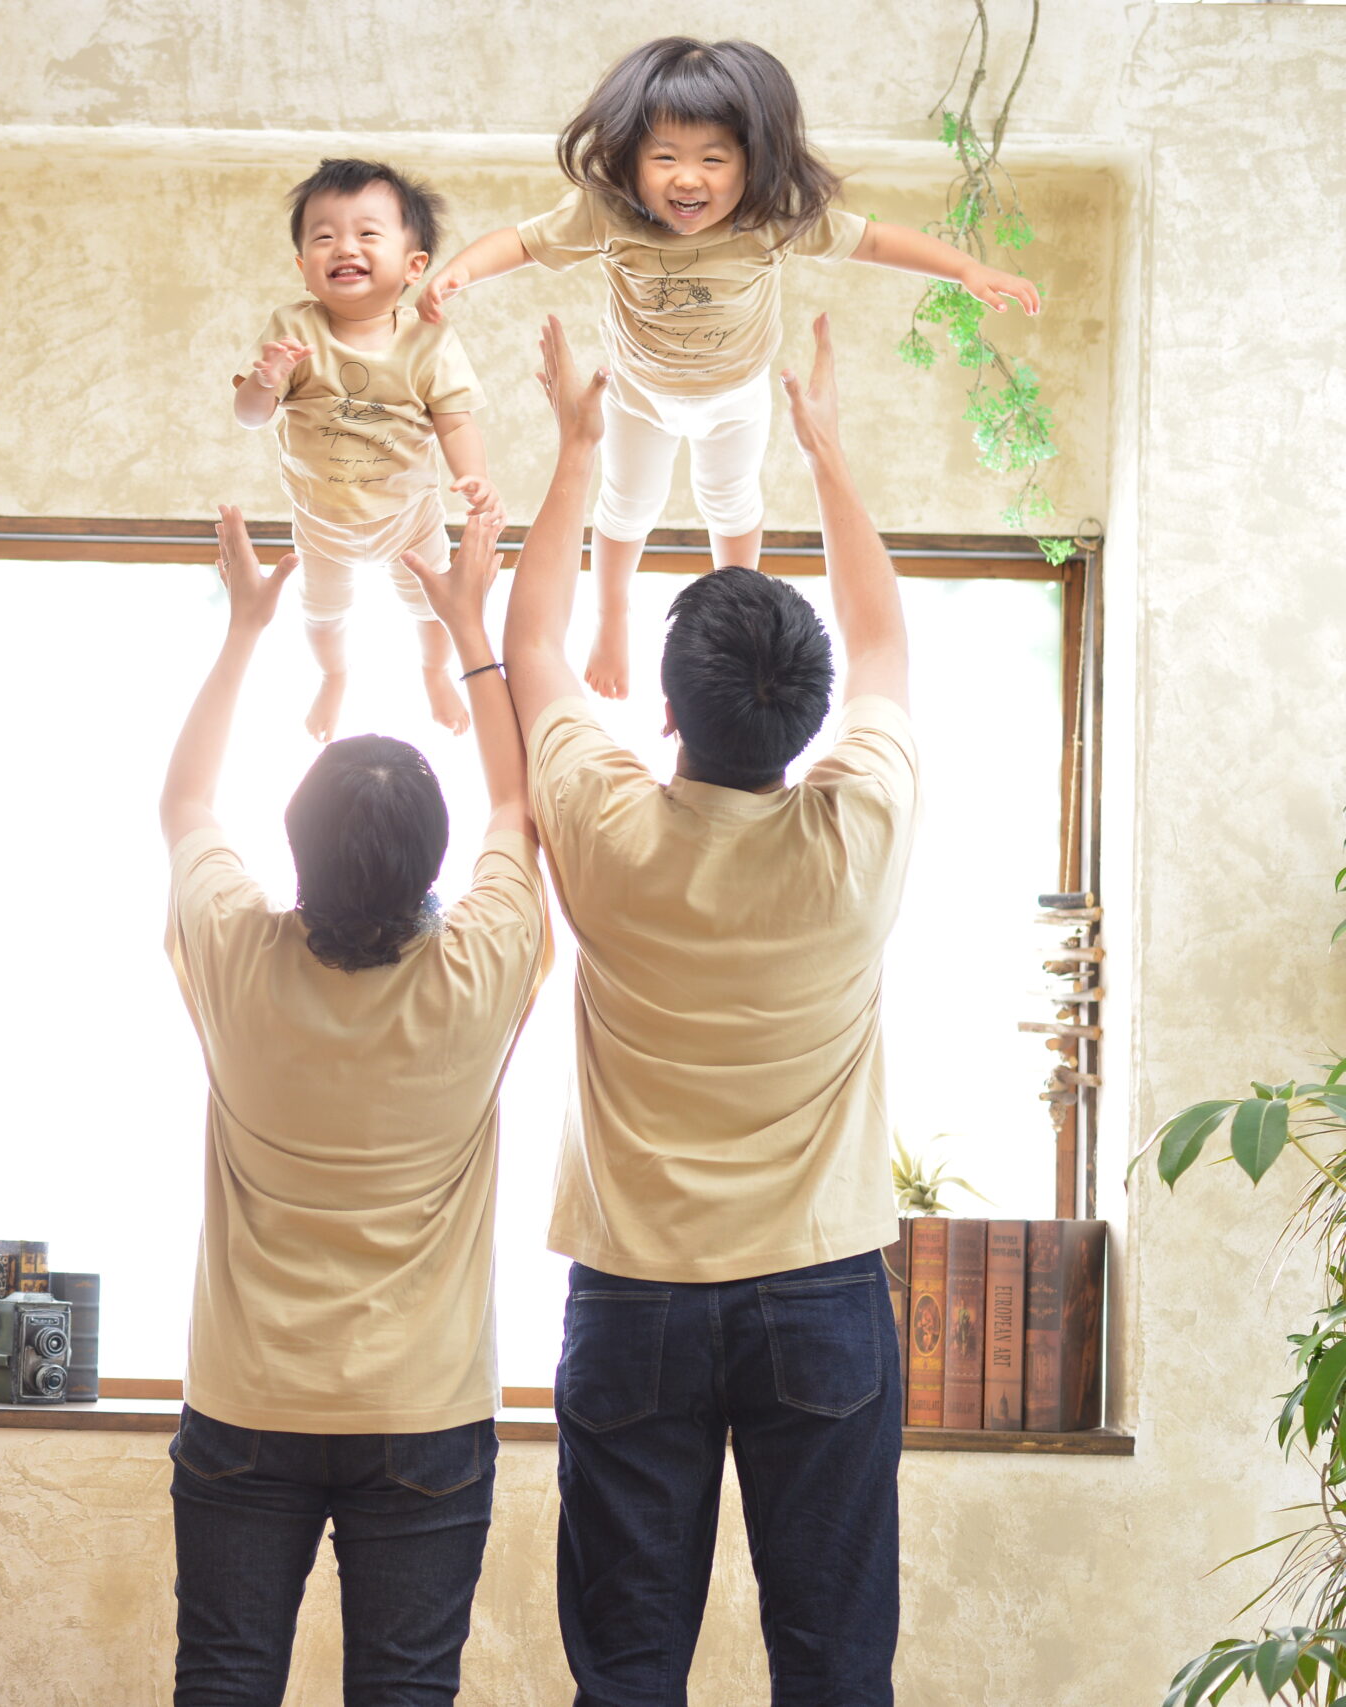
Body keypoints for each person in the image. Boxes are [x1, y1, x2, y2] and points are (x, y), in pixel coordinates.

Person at [497, 312, 916, 1706]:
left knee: (624, 1676)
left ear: (666, 711)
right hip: (823, 1294)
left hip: (638, 1298)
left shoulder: (611, 829)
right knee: (838, 1666)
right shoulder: (857, 834)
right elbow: (882, 639)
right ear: (805, 718)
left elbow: (536, 640)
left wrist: (575, 448)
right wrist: (826, 449)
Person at [159, 502, 548, 1706]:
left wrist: (244, 631)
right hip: (423, 1415)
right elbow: (519, 808)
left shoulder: (233, 950)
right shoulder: (481, 969)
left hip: (244, 1400)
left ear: (297, 844)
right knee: (405, 1689)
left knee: (221, 1682)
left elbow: (183, 807)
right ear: (431, 860)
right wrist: (468, 624)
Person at [420, 35, 1038, 699]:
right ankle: (611, 618)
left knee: (733, 501)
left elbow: (875, 240)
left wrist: (964, 268)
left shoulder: (772, 217)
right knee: (627, 505)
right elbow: (521, 241)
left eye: (713, 159)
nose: (688, 178)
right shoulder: (606, 212)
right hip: (639, 394)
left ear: (753, 163)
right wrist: (462, 271)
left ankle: (734, 617)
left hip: (737, 394)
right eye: (664, 158)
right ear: (630, 160)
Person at [234, 158, 499, 743]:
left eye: (367, 233)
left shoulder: (428, 338)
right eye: (324, 236)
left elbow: (455, 423)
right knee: (323, 614)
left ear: (414, 265)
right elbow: (251, 417)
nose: (343, 246)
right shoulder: (294, 329)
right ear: (304, 268)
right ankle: (334, 676)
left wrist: (474, 477)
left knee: (434, 606)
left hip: (410, 516)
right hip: (322, 522)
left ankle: (434, 672)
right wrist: (265, 379)